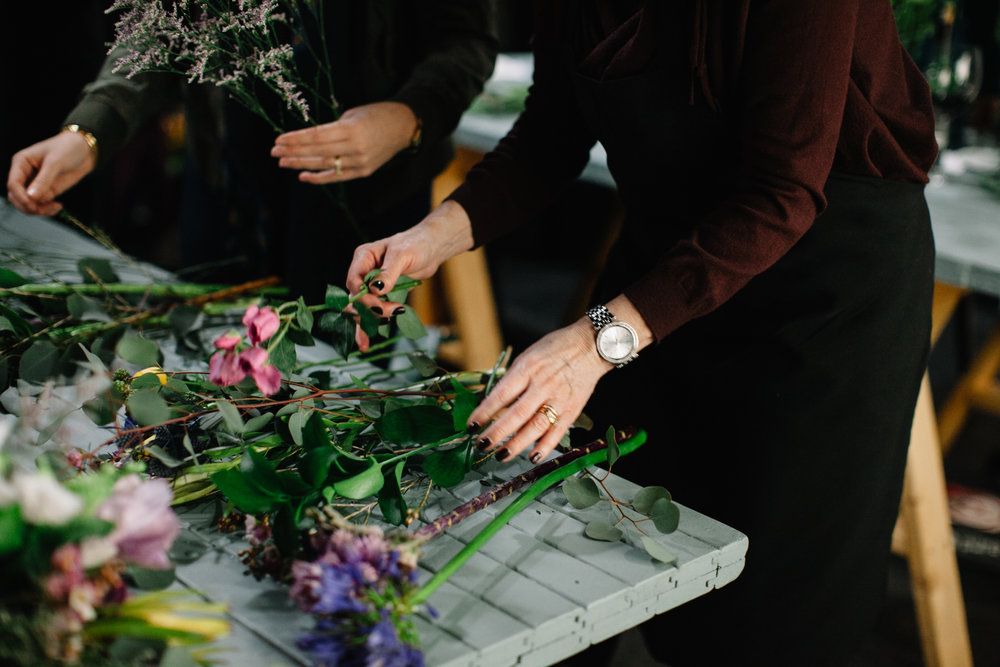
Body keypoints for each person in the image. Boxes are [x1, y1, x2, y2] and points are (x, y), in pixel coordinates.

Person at [345, 2, 939, 665]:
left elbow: (781, 193)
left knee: (765, 621)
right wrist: (433, 236)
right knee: (573, 551)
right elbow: (551, 133)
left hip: (818, 302)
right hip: (666, 267)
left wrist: (590, 344)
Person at [6, 2, 499, 300]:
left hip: (368, 202)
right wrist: (89, 129)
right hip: (227, 188)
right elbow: (164, 23)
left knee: (345, 389)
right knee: (212, 375)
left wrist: (406, 118)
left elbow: (467, 42)